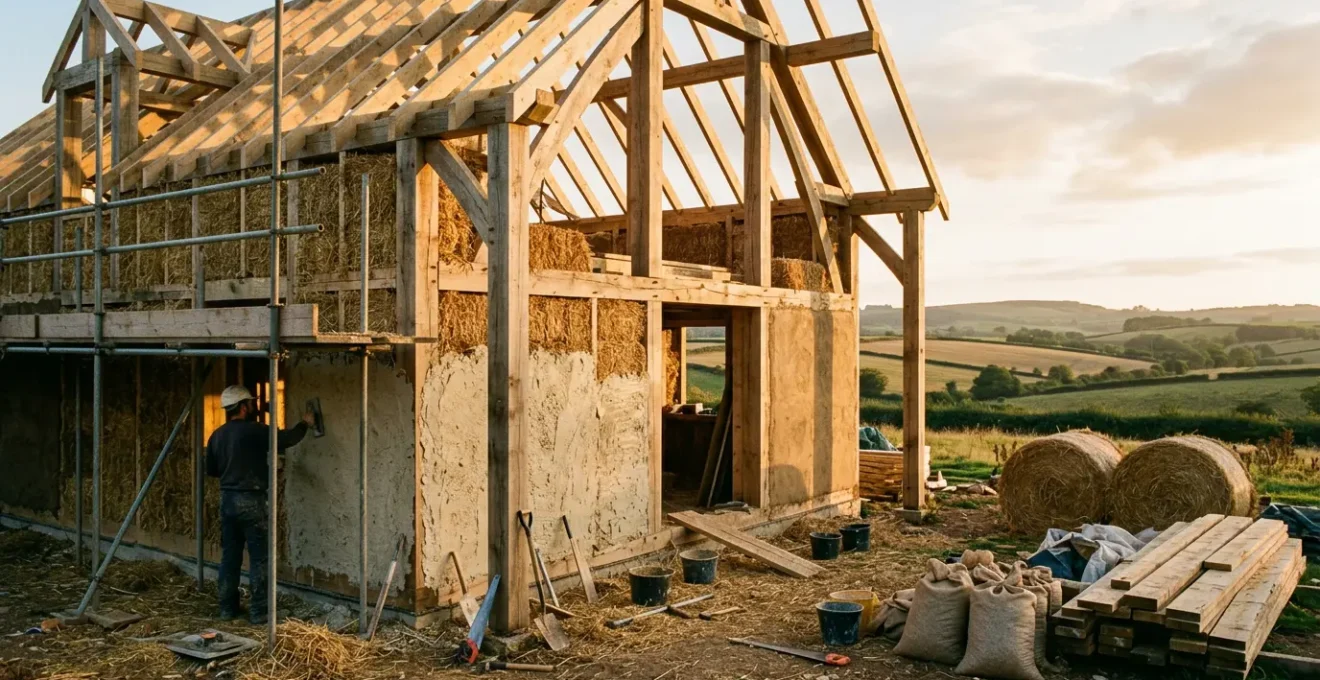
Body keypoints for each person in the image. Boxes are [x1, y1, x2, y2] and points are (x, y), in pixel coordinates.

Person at [206, 385, 316, 624]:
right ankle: (259, 612)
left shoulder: (217, 435)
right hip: (251, 501)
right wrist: (305, 423)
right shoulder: (254, 430)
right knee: (260, 558)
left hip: (227, 501)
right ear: (243, 407)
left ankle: (227, 609)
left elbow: (211, 470)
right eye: (251, 402)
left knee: (230, 557)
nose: (254, 405)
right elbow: (286, 439)